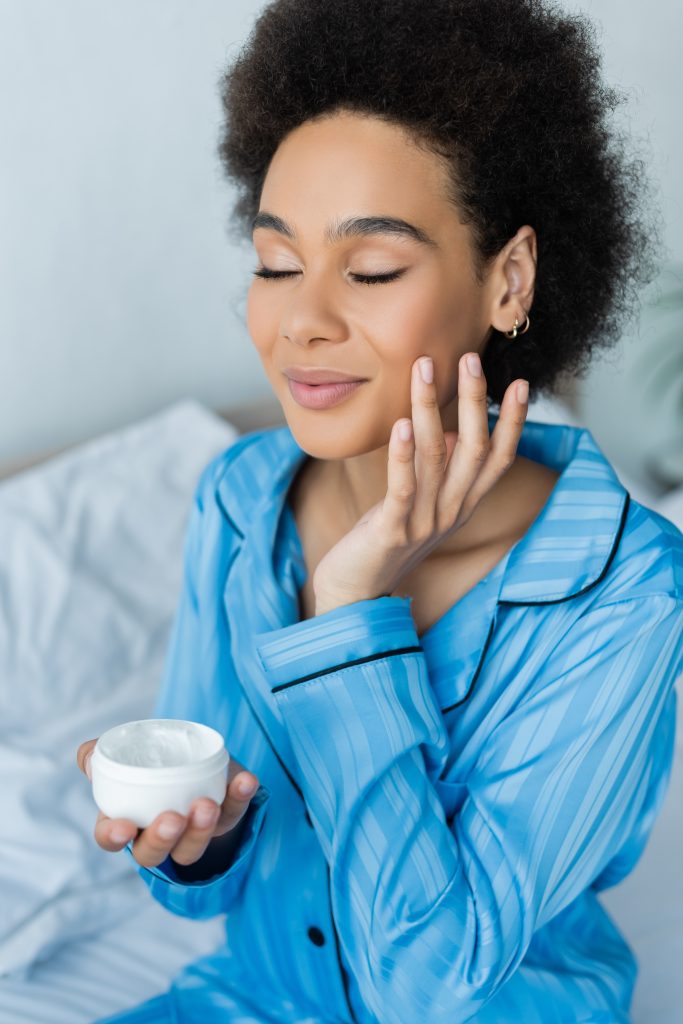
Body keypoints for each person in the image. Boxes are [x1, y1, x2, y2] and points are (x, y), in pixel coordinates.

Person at [77, 0, 683, 1021]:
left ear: (508, 280)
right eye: (275, 264)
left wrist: (348, 605)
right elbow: (212, 886)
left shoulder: (626, 589)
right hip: (250, 999)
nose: (299, 320)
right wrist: (197, 836)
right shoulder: (240, 499)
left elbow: (430, 983)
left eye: (369, 269)